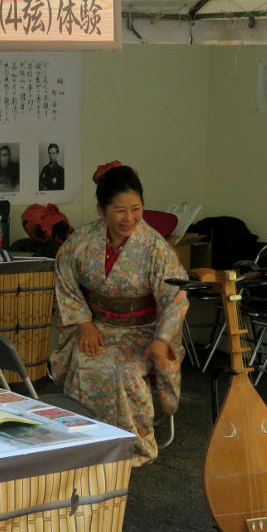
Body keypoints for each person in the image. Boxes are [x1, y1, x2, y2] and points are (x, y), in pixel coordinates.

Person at [49, 161, 188, 465]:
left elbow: (176, 296)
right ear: (101, 209)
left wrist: (162, 339)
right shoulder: (82, 241)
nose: (129, 218)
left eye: (136, 209)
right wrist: (84, 323)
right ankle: (84, 443)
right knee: (83, 363)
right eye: (120, 210)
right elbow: (65, 278)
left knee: (123, 371)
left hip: (144, 331)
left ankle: (133, 448)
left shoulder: (154, 248)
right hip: (97, 326)